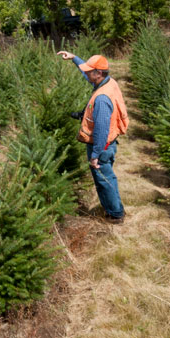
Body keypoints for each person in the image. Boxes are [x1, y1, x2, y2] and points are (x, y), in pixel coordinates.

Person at [56, 51, 129, 222]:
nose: (86, 74)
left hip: (102, 146)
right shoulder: (108, 82)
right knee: (108, 175)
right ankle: (115, 208)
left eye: (90, 71)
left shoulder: (102, 98)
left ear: (99, 73)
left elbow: (101, 130)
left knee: (103, 178)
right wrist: (74, 58)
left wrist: (95, 155)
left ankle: (115, 214)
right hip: (109, 143)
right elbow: (86, 73)